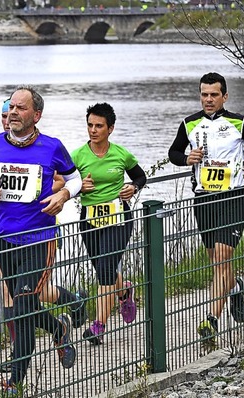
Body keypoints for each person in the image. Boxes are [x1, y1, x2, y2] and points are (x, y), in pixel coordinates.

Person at [0, 86, 83, 396]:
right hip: (4, 238)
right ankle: (59, 328)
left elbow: (74, 180)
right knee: (28, 305)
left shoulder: (52, 147)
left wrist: (62, 195)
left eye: (20, 108)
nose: (12, 113)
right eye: (10, 107)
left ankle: (15, 381)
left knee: (22, 306)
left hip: (40, 238)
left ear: (36, 115)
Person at [168, 72, 244, 346]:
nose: (208, 99)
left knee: (223, 258)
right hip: (203, 200)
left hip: (232, 196)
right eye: (204, 94)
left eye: (214, 95)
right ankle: (235, 288)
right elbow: (173, 153)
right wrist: (186, 157)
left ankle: (211, 319)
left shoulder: (239, 122)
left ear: (225, 96)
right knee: (217, 261)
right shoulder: (189, 124)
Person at [71, 102, 146, 345]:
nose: (93, 130)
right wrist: (80, 186)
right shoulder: (77, 156)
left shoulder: (121, 154)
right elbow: (63, 183)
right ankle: (123, 290)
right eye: (90, 125)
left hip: (118, 218)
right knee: (103, 268)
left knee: (104, 269)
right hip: (90, 219)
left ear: (110, 129)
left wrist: (132, 188)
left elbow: (140, 176)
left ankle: (98, 325)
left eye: (99, 126)